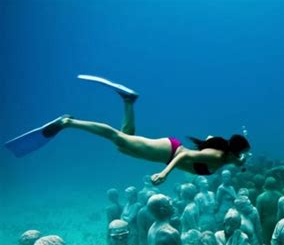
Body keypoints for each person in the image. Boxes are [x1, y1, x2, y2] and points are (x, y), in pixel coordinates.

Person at [5, 75, 251, 185]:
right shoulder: (218, 157)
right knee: (118, 138)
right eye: (241, 155)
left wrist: (239, 153)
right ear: (231, 153)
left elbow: (223, 148)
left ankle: (128, 101)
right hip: (169, 151)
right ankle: (68, 123)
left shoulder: (227, 157)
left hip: (167, 149)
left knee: (124, 142)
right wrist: (164, 174)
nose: (243, 160)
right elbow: (185, 156)